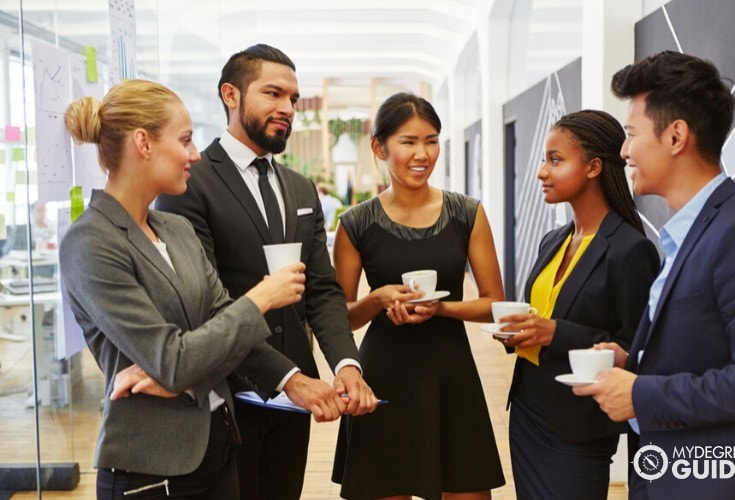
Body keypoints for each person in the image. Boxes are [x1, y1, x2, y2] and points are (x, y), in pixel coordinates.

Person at [59, 79, 308, 499]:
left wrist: (185, 373)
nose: (195, 154)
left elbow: (214, 328)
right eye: (186, 140)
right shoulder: (90, 243)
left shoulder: (176, 228)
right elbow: (174, 358)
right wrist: (261, 297)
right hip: (151, 470)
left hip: (218, 444)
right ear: (144, 143)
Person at [154, 43, 378, 500]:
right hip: (227, 396)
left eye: (293, 99)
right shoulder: (188, 183)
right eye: (273, 94)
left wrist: (346, 363)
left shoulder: (299, 188)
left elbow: (322, 291)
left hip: (297, 400)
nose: (287, 109)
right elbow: (201, 302)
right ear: (230, 95)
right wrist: (286, 379)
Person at [574, 51, 735, 499]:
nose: (623, 152)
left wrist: (642, 394)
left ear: (676, 135)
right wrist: (634, 363)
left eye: (631, 134)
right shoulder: (687, 232)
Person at [331, 92, 506, 499]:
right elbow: (340, 317)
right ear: (380, 147)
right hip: (383, 376)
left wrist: (441, 307)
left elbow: (494, 302)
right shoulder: (355, 223)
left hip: (451, 373)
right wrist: (376, 301)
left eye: (431, 140)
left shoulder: (467, 213)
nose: (422, 153)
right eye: (408, 142)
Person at [493, 109, 660, 499]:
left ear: (593, 167)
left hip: (580, 423)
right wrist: (517, 333)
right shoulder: (552, 241)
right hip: (528, 409)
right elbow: (544, 319)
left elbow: (639, 349)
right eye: (544, 160)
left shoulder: (630, 250)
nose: (541, 172)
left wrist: (554, 332)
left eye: (556, 160)